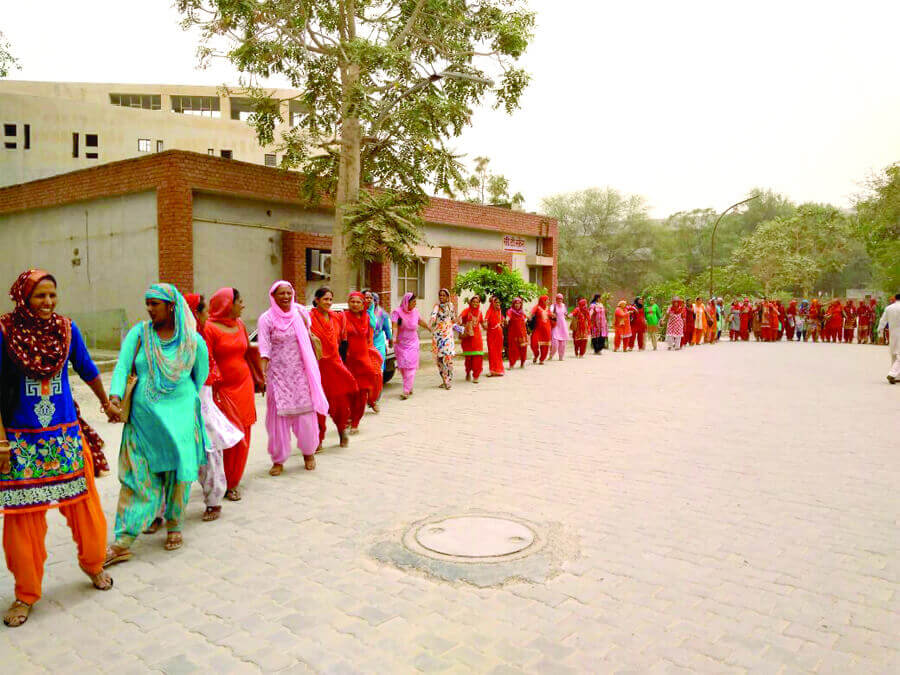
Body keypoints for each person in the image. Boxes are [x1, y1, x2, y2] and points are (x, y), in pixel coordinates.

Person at [0, 270, 114, 627]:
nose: (48, 303)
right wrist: (1, 439)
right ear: (23, 298)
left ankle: (94, 565)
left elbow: (87, 368)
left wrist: (106, 402)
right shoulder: (5, 332)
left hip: (65, 438)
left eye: (52, 295)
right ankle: (26, 594)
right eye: (39, 296)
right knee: (23, 523)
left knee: (86, 508)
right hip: (21, 442)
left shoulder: (67, 329)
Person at [105, 283, 208, 566]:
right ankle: (124, 540)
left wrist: (178, 399)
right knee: (136, 475)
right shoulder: (139, 334)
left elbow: (199, 376)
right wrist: (114, 396)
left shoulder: (192, 341)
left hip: (180, 420)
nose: (149, 309)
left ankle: (174, 524)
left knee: (178, 475)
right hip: (142, 421)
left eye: (155, 304)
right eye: (147, 303)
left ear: (171, 306)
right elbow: (123, 366)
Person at [258, 281, 329, 475]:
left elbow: (308, 337)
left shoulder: (300, 313)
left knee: (306, 415)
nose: (286, 297)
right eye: (281, 293)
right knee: (278, 418)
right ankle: (278, 460)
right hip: (278, 375)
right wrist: (263, 375)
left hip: (300, 374)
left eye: (288, 293)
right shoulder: (266, 319)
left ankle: (309, 453)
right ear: (273, 295)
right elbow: (264, 348)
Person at [182, 294, 237, 523]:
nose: (207, 316)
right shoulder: (175, 341)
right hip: (180, 405)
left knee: (210, 451)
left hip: (201, 404)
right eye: (204, 312)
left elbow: (204, 377)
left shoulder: (200, 339)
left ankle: (214, 501)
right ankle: (164, 510)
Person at [205, 288, 256, 502]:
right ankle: (221, 479)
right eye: (240, 301)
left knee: (244, 432)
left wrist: (258, 377)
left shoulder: (241, 325)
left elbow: (247, 352)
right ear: (228, 304)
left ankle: (233, 482)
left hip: (244, 385)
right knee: (228, 436)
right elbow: (206, 359)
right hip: (222, 389)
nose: (243, 305)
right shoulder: (209, 328)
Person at [310, 287, 356, 447]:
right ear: (316, 300)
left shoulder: (336, 318)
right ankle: (318, 439)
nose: (328, 302)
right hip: (317, 366)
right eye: (325, 299)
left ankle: (342, 432)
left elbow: (342, 342)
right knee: (318, 403)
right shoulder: (308, 318)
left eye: (330, 299)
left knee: (340, 403)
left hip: (335, 365)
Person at [343, 292, 383, 428]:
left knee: (363, 391)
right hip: (349, 360)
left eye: (358, 302)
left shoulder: (367, 318)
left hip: (364, 359)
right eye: (352, 301)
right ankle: (348, 416)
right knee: (349, 392)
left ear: (363, 304)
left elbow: (369, 338)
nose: (355, 304)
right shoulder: (343, 317)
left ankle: (355, 422)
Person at [391, 292, 430, 398]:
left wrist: (429, 328)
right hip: (400, 343)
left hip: (413, 342)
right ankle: (409, 385)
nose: (415, 304)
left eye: (415, 302)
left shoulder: (415, 312)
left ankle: (406, 391)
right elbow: (394, 326)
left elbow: (420, 322)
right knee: (403, 366)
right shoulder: (397, 312)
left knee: (410, 367)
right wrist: (394, 338)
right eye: (413, 302)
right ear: (406, 302)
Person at [430, 288, 457, 388]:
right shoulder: (436, 307)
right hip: (438, 336)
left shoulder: (451, 306)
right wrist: (430, 324)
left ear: (448, 296)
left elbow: (453, 319)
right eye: (440, 295)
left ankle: (448, 380)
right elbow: (433, 317)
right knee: (439, 359)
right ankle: (445, 379)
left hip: (448, 336)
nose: (441, 297)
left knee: (448, 358)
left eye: (444, 295)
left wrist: (458, 324)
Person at [458, 295, 486, 382]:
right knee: (469, 358)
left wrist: (488, 326)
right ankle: (468, 372)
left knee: (478, 356)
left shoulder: (480, 312)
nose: (475, 303)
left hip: (477, 337)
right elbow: (459, 319)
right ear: (470, 302)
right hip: (468, 338)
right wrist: (460, 325)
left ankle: (476, 376)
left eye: (477, 302)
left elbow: (482, 323)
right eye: (473, 302)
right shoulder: (466, 311)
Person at [364, 290, 393, 374]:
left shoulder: (382, 314)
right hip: (365, 343)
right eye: (368, 298)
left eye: (374, 300)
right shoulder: (362, 312)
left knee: (378, 366)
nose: (374, 302)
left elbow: (387, 328)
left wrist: (390, 340)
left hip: (378, 343)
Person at [877, 294, 900, 383]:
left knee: (894, 355)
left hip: (893, 334)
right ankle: (892, 374)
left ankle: (897, 377)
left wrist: (880, 334)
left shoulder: (889, 308)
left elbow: (882, 321)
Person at [484, 295, 506, 376]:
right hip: (491, 334)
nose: (498, 304)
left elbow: (502, 320)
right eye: (496, 302)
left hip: (499, 334)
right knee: (492, 351)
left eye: (498, 302)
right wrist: (485, 323)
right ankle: (492, 370)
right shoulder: (489, 311)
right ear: (492, 303)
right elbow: (486, 319)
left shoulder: (499, 311)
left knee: (498, 351)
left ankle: (499, 370)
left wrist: (503, 321)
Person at [506, 297, 529, 368]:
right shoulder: (510, 310)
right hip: (513, 332)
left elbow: (526, 319)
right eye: (516, 303)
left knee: (523, 348)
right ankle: (512, 364)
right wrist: (507, 320)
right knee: (513, 348)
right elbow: (508, 317)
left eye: (519, 303)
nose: (517, 305)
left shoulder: (522, 311)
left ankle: (522, 363)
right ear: (513, 304)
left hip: (522, 333)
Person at [529, 295, 552, 364]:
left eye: (548, 300)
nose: (548, 301)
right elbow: (532, 312)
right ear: (543, 301)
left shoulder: (548, 308)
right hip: (538, 329)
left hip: (547, 329)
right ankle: (536, 355)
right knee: (534, 343)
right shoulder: (537, 307)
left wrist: (553, 315)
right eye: (547, 300)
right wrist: (530, 316)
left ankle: (542, 359)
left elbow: (550, 315)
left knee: (545, 345)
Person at [549, 294, 569, 360]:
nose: (559, 300)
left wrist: (568, 315)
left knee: (563, 343)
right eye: (558, 299)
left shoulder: (563, 305)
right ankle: (551, 355)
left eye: (561, 299)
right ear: (556, 299)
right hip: (555, 326)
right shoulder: (553, 306)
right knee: (555, 343)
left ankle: (561, 356)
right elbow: (550, 312)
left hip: (563, 326)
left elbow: (565, 313)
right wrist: (552, 314)